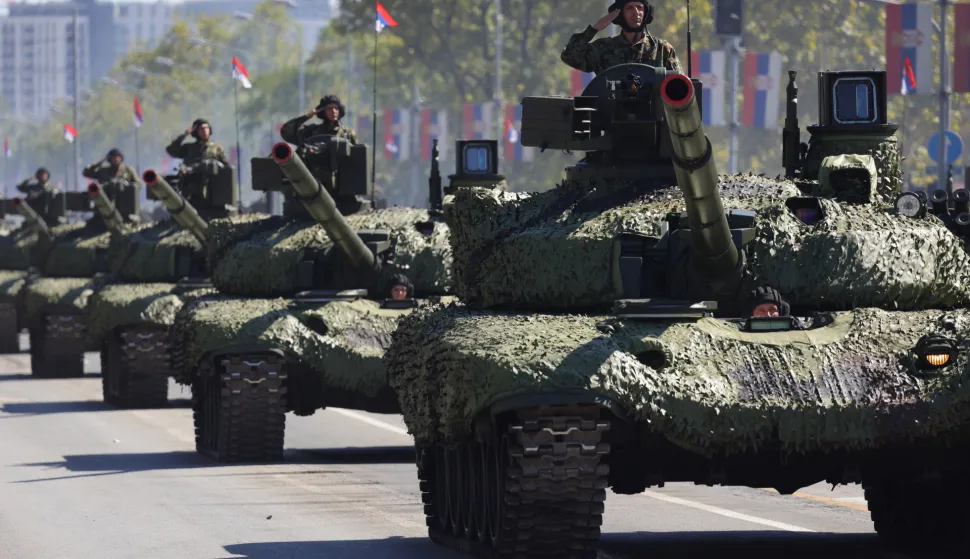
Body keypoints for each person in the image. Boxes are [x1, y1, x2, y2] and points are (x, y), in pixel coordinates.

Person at [561, 0, 683, 75]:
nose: (636, 12)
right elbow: (569, 56)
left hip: (653, 115)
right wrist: (594, 29)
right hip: (610, 114)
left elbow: (680, 85)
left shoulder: (662, 49)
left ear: (646, 13)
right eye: (629, 8)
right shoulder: (604, 48)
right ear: (619, 14)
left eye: (639, 7)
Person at [280, 95, 358, 147]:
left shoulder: (347, 135)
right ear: (323, 112)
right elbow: (286, 131)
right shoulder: (311, 132)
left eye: (336, 108)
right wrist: (308, 116)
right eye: (329, 108)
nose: (334, 111)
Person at [166, 118, 230, 166]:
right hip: (192, 181)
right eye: (201, 129)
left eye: (206, 128)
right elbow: (171, 150)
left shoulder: (216, 148)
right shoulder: (188, 148)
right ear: (196, 132)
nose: (204, 131)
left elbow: (226, 167)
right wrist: (185, 135)